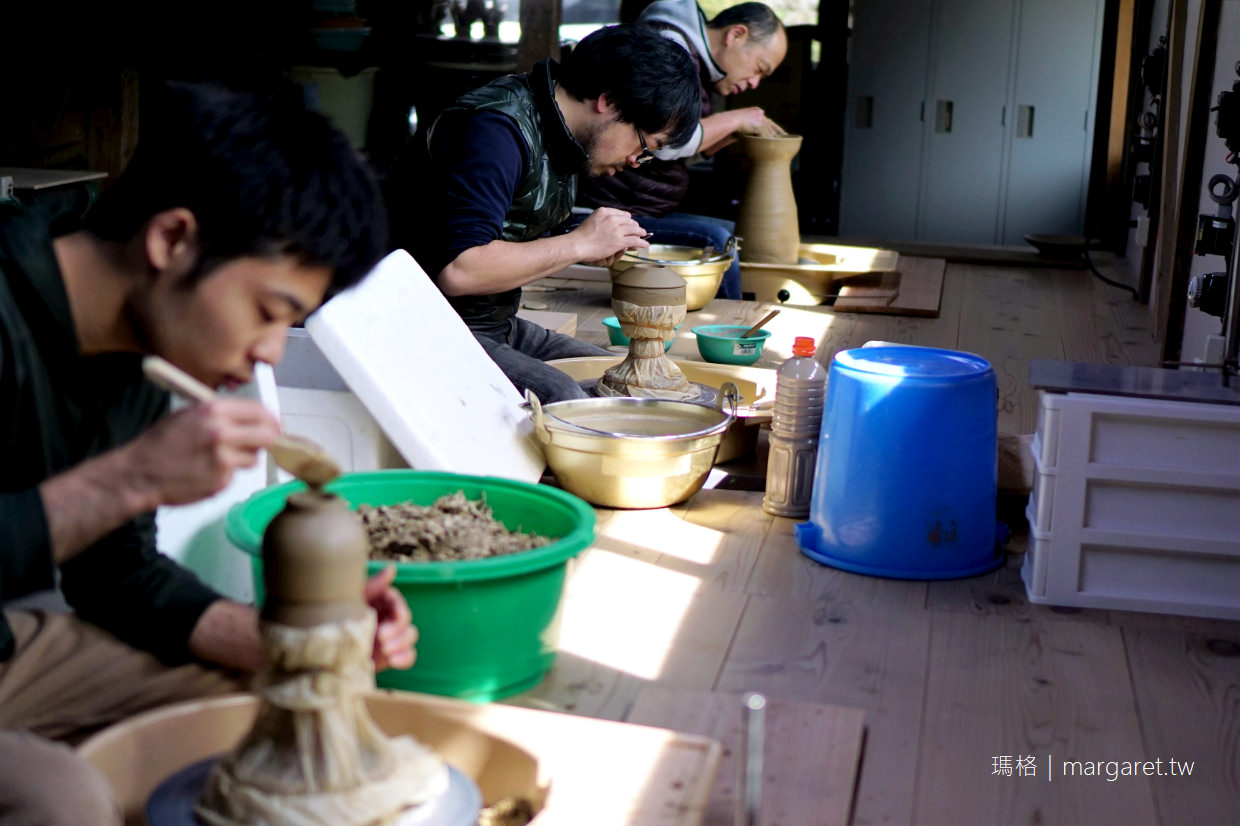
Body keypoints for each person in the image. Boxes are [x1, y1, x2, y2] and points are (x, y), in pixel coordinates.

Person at [0, 80, 412, 825]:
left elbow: (113, 573)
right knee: (61, 801)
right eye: (268, 313)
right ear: (172, 239)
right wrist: (128, 477)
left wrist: (298, 643)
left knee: (291, 708)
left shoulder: (144, 349)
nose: (264, 355)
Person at [391, 23, 702, 404]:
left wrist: (587, 243)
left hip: (490, 324)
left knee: (627, 383)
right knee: (570, 400)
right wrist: (578, 244)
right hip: (421, 327)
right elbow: (462, 270)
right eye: (644, 144)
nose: (638, 161)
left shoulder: (562, 134)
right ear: (609, 101)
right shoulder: (494, 131)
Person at [575, 1, 789, 300]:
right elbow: (662, 142)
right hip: (599, 211)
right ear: (736, 34)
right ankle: (729, 328)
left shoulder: (694, 61)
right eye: (759, 69)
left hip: (634, 208)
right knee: (718, 239)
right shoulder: (672, 47)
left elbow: (665, 154)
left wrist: (727, 135)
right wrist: (736, 118)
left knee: (735, 232)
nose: (754, 82)